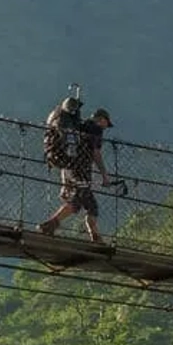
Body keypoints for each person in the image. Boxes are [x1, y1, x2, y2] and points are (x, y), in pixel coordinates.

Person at [39, 104, 114, 243]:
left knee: (91, 205)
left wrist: (65, 182)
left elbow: (68, 156)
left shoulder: (78, 127)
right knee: (77, 201)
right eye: (106, 123)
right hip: (82, 171)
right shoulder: (95, 130)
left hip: (71, 168)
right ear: (101, 119)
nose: (105, 126)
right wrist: (104, 175)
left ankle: (96, 237)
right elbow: (96, 153)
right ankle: (50, 224)